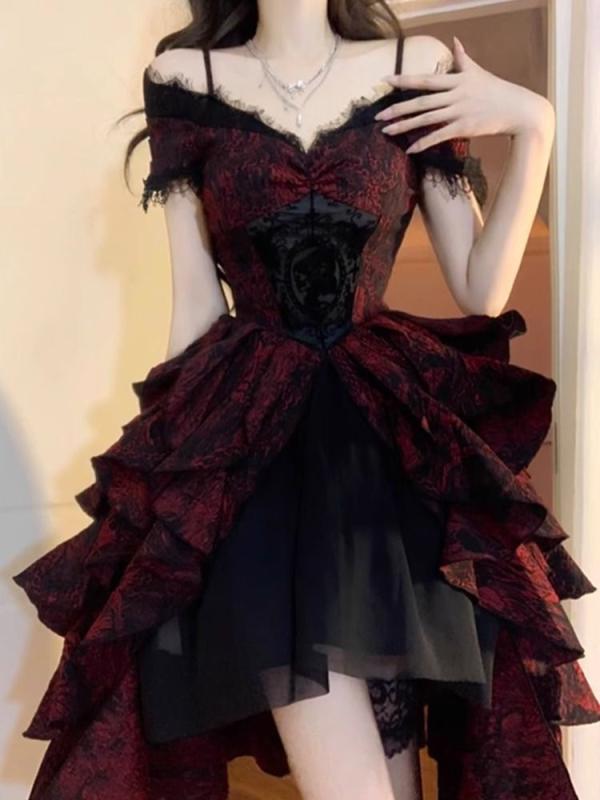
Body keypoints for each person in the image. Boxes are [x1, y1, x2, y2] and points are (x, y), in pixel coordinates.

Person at [13, 2, 600, 800]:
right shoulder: (184, 78)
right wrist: (159, 492)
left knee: (393, 779)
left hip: (384, 463)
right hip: (262, 460)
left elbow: (480, 286)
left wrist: (536, 125)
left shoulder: (414, 66)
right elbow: (196, 307)